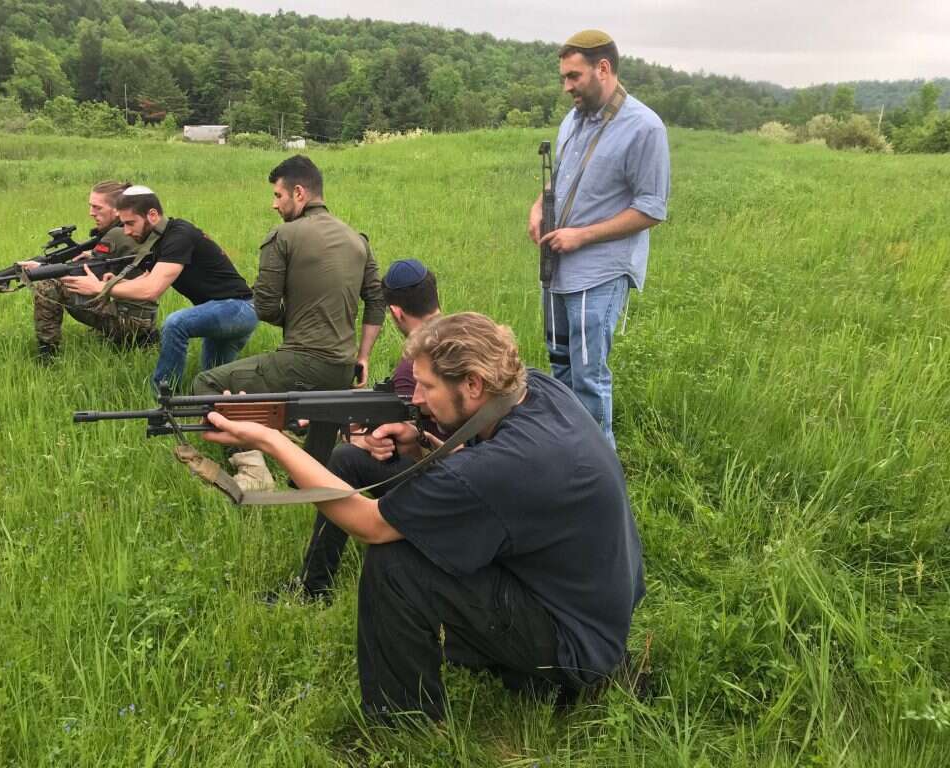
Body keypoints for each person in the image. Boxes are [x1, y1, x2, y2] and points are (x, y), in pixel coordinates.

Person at [202, 312, 646, 722]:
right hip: (586, 601)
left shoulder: (507, 464)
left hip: (576, 644)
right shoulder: (535, 390)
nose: (415, 398)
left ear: (473, 384)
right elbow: (485, 474)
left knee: (396, 563)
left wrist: (270, 440)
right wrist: (418, 447)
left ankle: (404, 723)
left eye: (426, 387)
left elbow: (370, 524)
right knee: (356, 466)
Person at [191, 155, 386, 489]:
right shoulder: (358, 240)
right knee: (324, 417)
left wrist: (294, 317)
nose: (274, 204)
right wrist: (362, 356)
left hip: (301, 362)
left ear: (299, 193)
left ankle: (254, 470)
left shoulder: (283, 236)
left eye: (278, 195)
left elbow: (264, 306)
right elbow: (377, 301)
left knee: (206, 383)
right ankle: (314, 476)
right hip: (342, 366)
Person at [528, 29, 670, 448]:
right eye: (564, 78)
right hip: (556, 264)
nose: (567, 86)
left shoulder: (645, 128)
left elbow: (651, 209)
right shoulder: (571, 121)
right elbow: (559, 179)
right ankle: (567, 450)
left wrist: (582, 236)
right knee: (559, 361)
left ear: (603, 68)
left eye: (574, 76)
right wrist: (537, 208)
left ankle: (597, 467)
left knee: (588, 372)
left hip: (600, 270)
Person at [291, 258, 442, 602]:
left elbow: (399, 435)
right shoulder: (460, 335)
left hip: (445, 477)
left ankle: (313, 587)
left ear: (395, 313)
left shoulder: (414, 364)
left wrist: (361, 439)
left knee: (344, 460)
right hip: (464, 466)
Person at [61, 185, 257, 392]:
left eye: (130, 223)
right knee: (214, 386)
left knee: (175, 324)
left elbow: (151, 291)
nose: (126, 231)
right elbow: (147, 280)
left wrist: (100, 288)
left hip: (239, 309)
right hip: (222, 311)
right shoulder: (158, 239)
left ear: (152, 215)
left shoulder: (178, 236)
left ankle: (164, 398)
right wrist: (117, 283)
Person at [28, 180, 158, 362]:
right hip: (146, 317)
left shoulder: (116, 235)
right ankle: (138, 339)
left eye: (98, 208)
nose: (91, 213)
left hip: (130, 322)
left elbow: (84, 273)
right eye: (91, 207)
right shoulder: (134, 230)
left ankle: (47, 355)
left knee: (48, 285)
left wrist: (41, 269)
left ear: (117, 210)